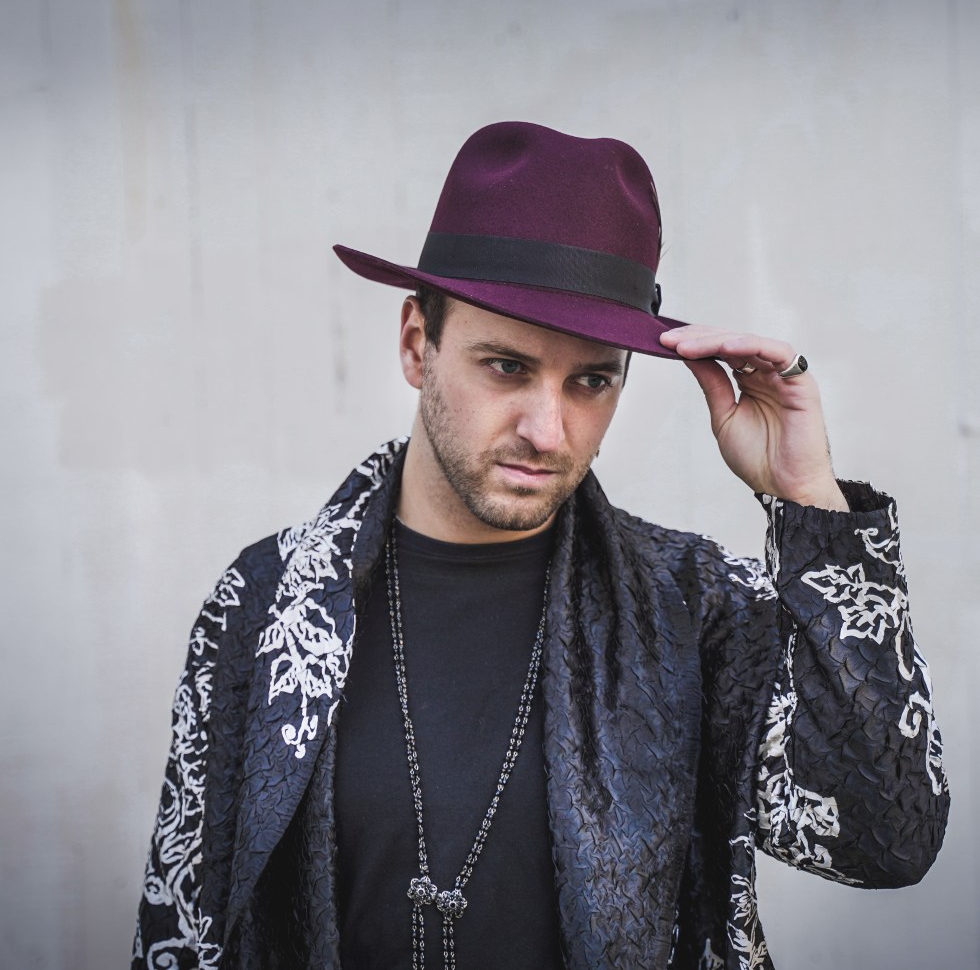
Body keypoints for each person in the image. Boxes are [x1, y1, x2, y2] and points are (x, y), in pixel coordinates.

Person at [132, 122, 949, 970]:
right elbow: (181, 923)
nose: (548, 430)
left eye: (591, 381)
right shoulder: (270, 601)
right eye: (507, 367)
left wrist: (808, 501)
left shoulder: (693, 605)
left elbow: (884, 839)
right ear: (416, 344)